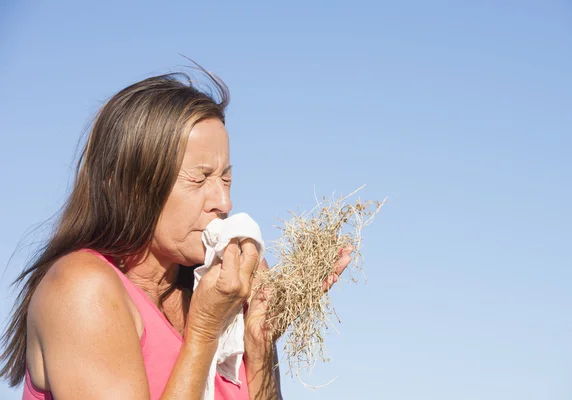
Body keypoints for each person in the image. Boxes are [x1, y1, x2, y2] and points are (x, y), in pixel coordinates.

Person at [0, 67, 352, 400]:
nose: (224, 202)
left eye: (226, 179)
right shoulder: (81, 289)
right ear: (128, 187)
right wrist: (202, 333)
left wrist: (259, 342)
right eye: (199, 179)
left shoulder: (211, 297)